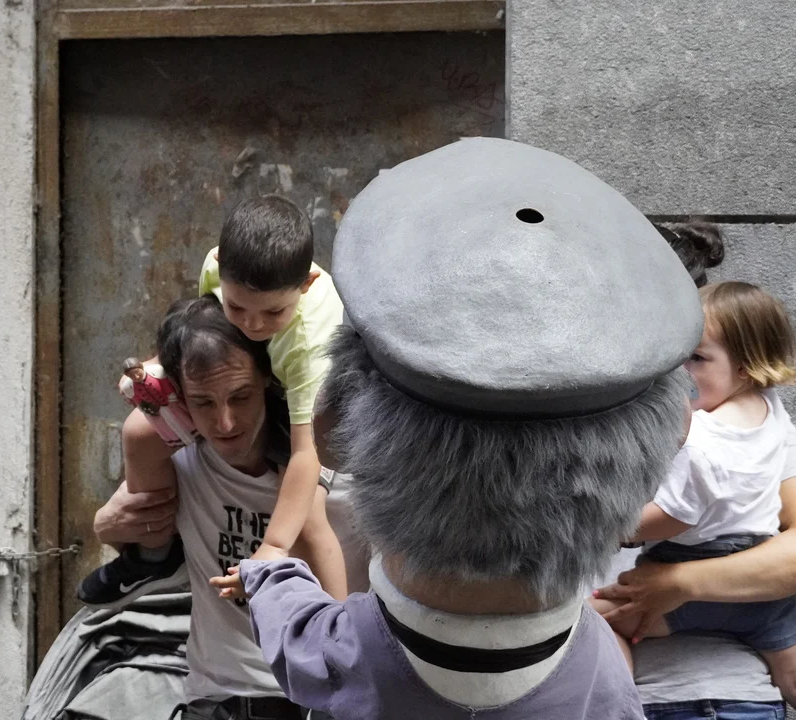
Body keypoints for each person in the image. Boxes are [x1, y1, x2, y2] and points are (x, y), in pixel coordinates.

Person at [213, 137, 702, 718]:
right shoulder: (600, 671)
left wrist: (269, 575)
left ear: (334, 429)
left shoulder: (347, 654)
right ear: (667, 440)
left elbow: (293, 628)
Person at [593, 282, 796, 719]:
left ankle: (621, 709)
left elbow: (676, 516)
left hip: (694, 579)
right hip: (758, 580)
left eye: (695, 358)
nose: (680, 372)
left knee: (594, 622)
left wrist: (608, 529)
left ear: (745, 368)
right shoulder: (767, 410)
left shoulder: (703, 440)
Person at [78, 196, 346, 608]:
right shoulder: (213, 270)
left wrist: (273, 546)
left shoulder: (308, 341)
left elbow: (305, 453)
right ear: (219, 267)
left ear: (306, 285)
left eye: (273, 313)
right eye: (237, 307)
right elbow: (201, 331)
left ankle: (341, 628)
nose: (252, 324)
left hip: (312, 403)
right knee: (138, 431)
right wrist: (156, 367)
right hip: (259, 373)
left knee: (309, 518)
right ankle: (154, 556)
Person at [94, 295, 328, 720]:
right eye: (203, 402)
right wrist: (105, 528)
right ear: (181, 397)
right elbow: (139, 446)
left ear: (269, 380)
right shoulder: (181, 461)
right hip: (215, 702)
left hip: (316, 702)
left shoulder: (329, 468)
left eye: (241, 397)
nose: (225, 423)